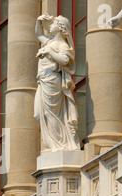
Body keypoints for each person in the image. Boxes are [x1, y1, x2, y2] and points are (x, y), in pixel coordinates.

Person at [34, 14, 80, 153]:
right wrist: (38, 21)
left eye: (54, 23)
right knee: (38, 113)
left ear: (60, 28)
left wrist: (50, 52)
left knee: (52, 113)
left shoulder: (62, 45)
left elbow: (65, 60)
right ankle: (53, 142)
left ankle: (59, 144)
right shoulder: (49, 42)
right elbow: (38, 34)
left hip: (53, 80)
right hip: (42, 80)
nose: (51, 25)